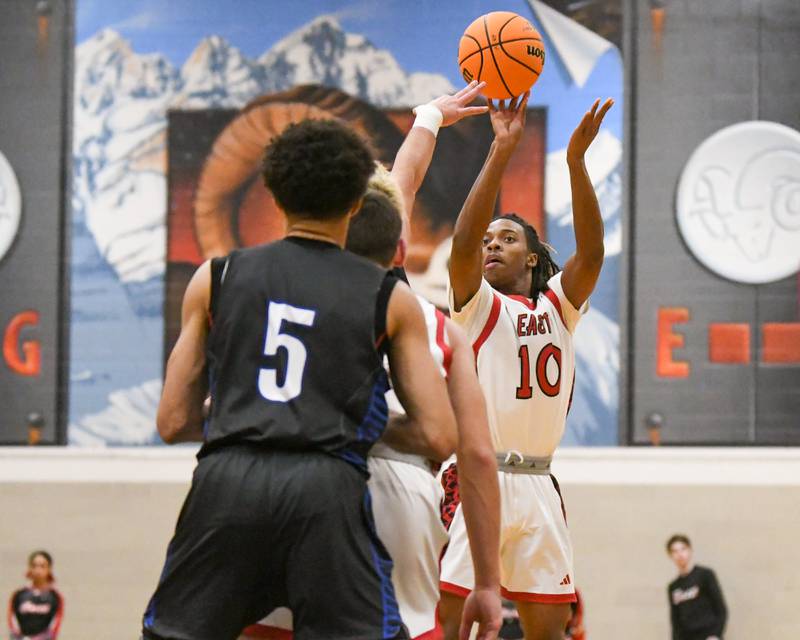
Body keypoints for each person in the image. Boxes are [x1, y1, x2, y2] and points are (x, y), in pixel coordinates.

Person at [142, 118, 463, 640]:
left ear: (273, 195)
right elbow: (438, 435)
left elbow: (173, 421)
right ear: (356, 204)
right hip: (326, 488)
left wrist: (247, 416)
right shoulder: (388, 297)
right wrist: (347, 421)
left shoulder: (216, 277)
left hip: (228, 482)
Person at [243, 82, 502, 640]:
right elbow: (477, 454)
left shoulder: (278, 295)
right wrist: (488, 581)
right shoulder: (429, 320)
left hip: (286, 476)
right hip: (397, 487)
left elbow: (400, 183)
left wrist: (429, 119)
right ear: (399, 245)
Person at [439, 93, 614, 640]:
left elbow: (592, 253)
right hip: (480, 477)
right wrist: (501, 149)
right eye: (489, 240)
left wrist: (576, 163)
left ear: (533, 258)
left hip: (539, 479)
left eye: (507, 239)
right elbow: (461, 246)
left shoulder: (559, 307)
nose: (492, 245)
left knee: (550, 630)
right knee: (451, 625)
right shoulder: (477, 306)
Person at [667, 534, 727, 640]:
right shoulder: (673, 587)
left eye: (683, 549)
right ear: (670, 555)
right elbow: (675, 621)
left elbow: (721, 609)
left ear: (690, 550)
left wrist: (716, 635)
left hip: (708, 636)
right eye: (675, 551)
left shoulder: (705, 575)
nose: (680, 554)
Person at [8, 550, 64, 640]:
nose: (38, 570)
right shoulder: (19, 594)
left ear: (49, 569)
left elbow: (55, 626)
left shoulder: (55, 597)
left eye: (42, 566)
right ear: (29, 568)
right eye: (34, 566)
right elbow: (12, 622)